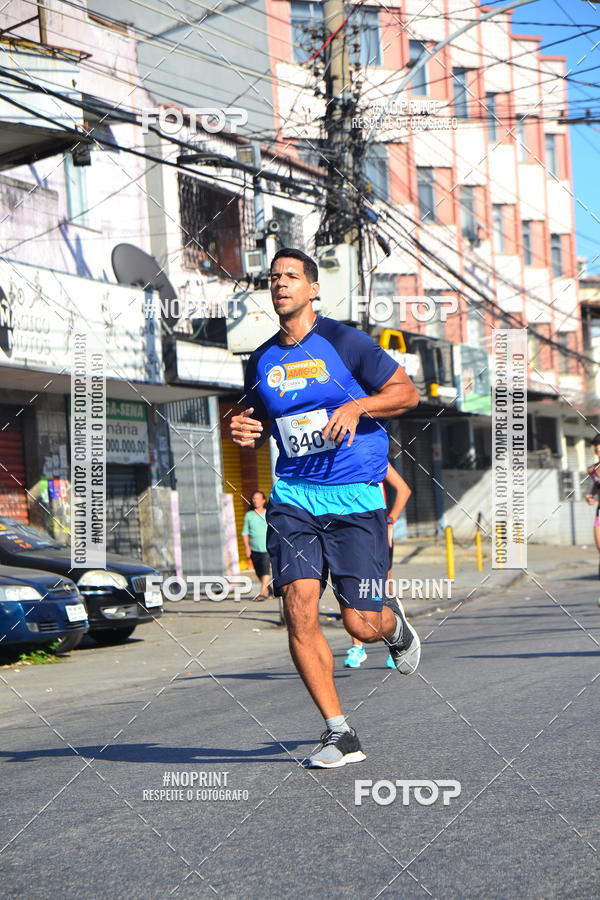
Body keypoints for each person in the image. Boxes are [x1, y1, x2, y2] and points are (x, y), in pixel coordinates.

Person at [230, 247, 420, 768]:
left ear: (313, 288)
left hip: (355, 494)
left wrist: (357, 404)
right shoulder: (261, 358)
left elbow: (407, 393)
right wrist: (245, 429)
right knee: (298, 604)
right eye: (273, 277)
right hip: (293, 496)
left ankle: (393, 628)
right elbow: (257, 421)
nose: (280, 283)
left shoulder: (346, 342)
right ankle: (339, 732)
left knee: (360, 624)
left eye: (292, 276)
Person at [344, 463, 411, 669]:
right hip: (345, 532)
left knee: (381, 590)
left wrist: (390, 521)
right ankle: (357, 647)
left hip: (376, 533)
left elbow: (403, 489)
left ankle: (395, 642)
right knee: (348, 591)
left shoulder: (373, 456)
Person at [241, 490, 272, 601]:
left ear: (263, 501)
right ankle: (270, 590)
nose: (255, 500)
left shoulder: (268, 513)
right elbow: (245, 533)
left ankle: (262, 593)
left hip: (266, 547)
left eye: (258, 498)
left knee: (265, 570)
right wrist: (247, 547)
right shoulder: (249, 515)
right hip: (254, 548)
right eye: (254, 498)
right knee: (259, 572)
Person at [584, 435, 600, 599]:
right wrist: (590, 496)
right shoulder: (592, 470)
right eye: (595, 448)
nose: (597, 450)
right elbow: (595, 487)